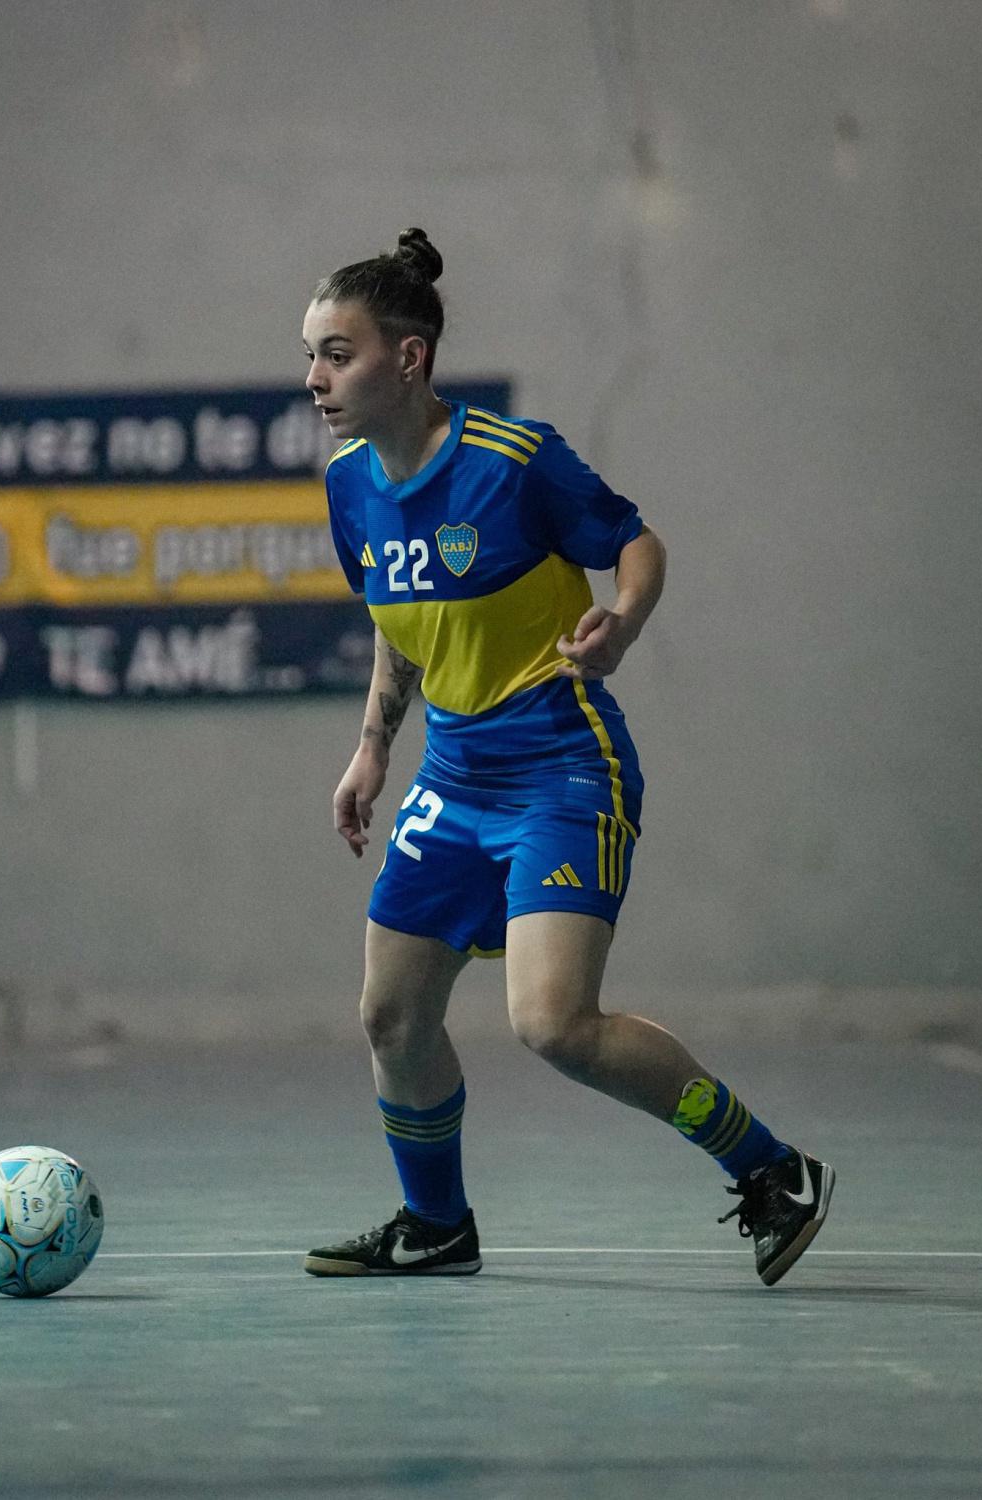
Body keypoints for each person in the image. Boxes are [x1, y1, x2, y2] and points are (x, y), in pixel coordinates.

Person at [300, 227, 834, 1287]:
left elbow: (636, 543)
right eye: (310, 354)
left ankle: (774, 1170)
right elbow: (397, 624)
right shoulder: (350, 487)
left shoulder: (515, 461)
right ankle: (436, 1223)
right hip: (451, 775)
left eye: (337, 352)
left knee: (554, 1024)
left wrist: (624, 623)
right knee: (391, 1015)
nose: (315, 378)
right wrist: (371, 751)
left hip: (560, 764)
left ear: (407, 359)